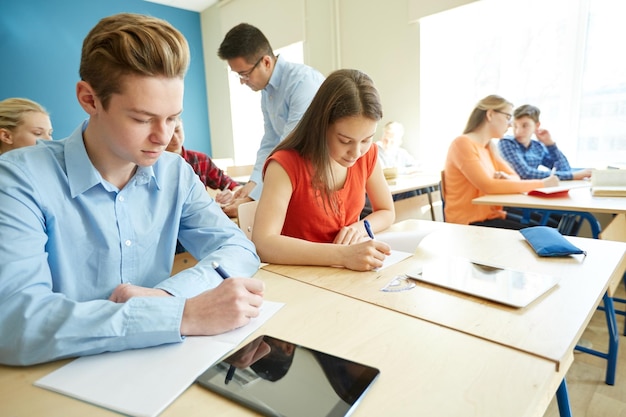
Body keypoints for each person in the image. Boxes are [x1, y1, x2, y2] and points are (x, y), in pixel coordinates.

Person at [0, 13, 263, 366]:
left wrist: (166, 295)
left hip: (159, 363)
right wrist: (181, 316)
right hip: (58, 374)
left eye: (173, 118)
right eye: (142, 119)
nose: (163, 136)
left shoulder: (175, 173)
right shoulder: (18, 180)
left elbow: (238, 248)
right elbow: (16, 324)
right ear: (89, 99)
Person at [252, 69, 395, 272]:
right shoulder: (285, 164)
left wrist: (358, 228)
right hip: (300, 276)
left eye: (366, 139)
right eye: (345, 140)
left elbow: (387, 211)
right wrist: (343, 255)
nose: (356, 152)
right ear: (321, 125)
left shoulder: (368, 154)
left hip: (345, 273)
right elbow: (264, 243)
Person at [217, 23, 325, 218]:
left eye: (244, 74)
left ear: (266, 62)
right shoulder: (268, 92)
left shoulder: (302, 83)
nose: (242, 81)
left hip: (320, 183)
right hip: (295, 181)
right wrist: (253, 184)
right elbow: (270, 142)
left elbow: (290, 147)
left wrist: (253, 199)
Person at [443, 95, 559, 229]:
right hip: (468, 223)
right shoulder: (462, 144)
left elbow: (515, 177)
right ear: (490, 114)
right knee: (543, 232)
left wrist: (506, 178)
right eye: (508, 117)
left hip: (491, 215)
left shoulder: (489, 147)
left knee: (552, 224)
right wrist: (542, 184)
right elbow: (489, 186)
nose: (510, 124)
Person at [498, 104, 592, 180]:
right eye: (515, 126)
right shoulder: (506, 143)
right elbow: (525, 173)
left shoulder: (537, 147)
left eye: (525, 126)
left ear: (536, 125)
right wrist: (573, 176)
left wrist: (550, 145)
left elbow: (564, 169)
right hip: (510, 195)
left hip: (529, 193)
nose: (518, 131)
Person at [166, 118, 240, 206]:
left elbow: (233, 185)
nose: (175, 138)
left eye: (177, 130)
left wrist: (232, 194)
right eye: (169, 133)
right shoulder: (154, 165)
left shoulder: (201, 160)